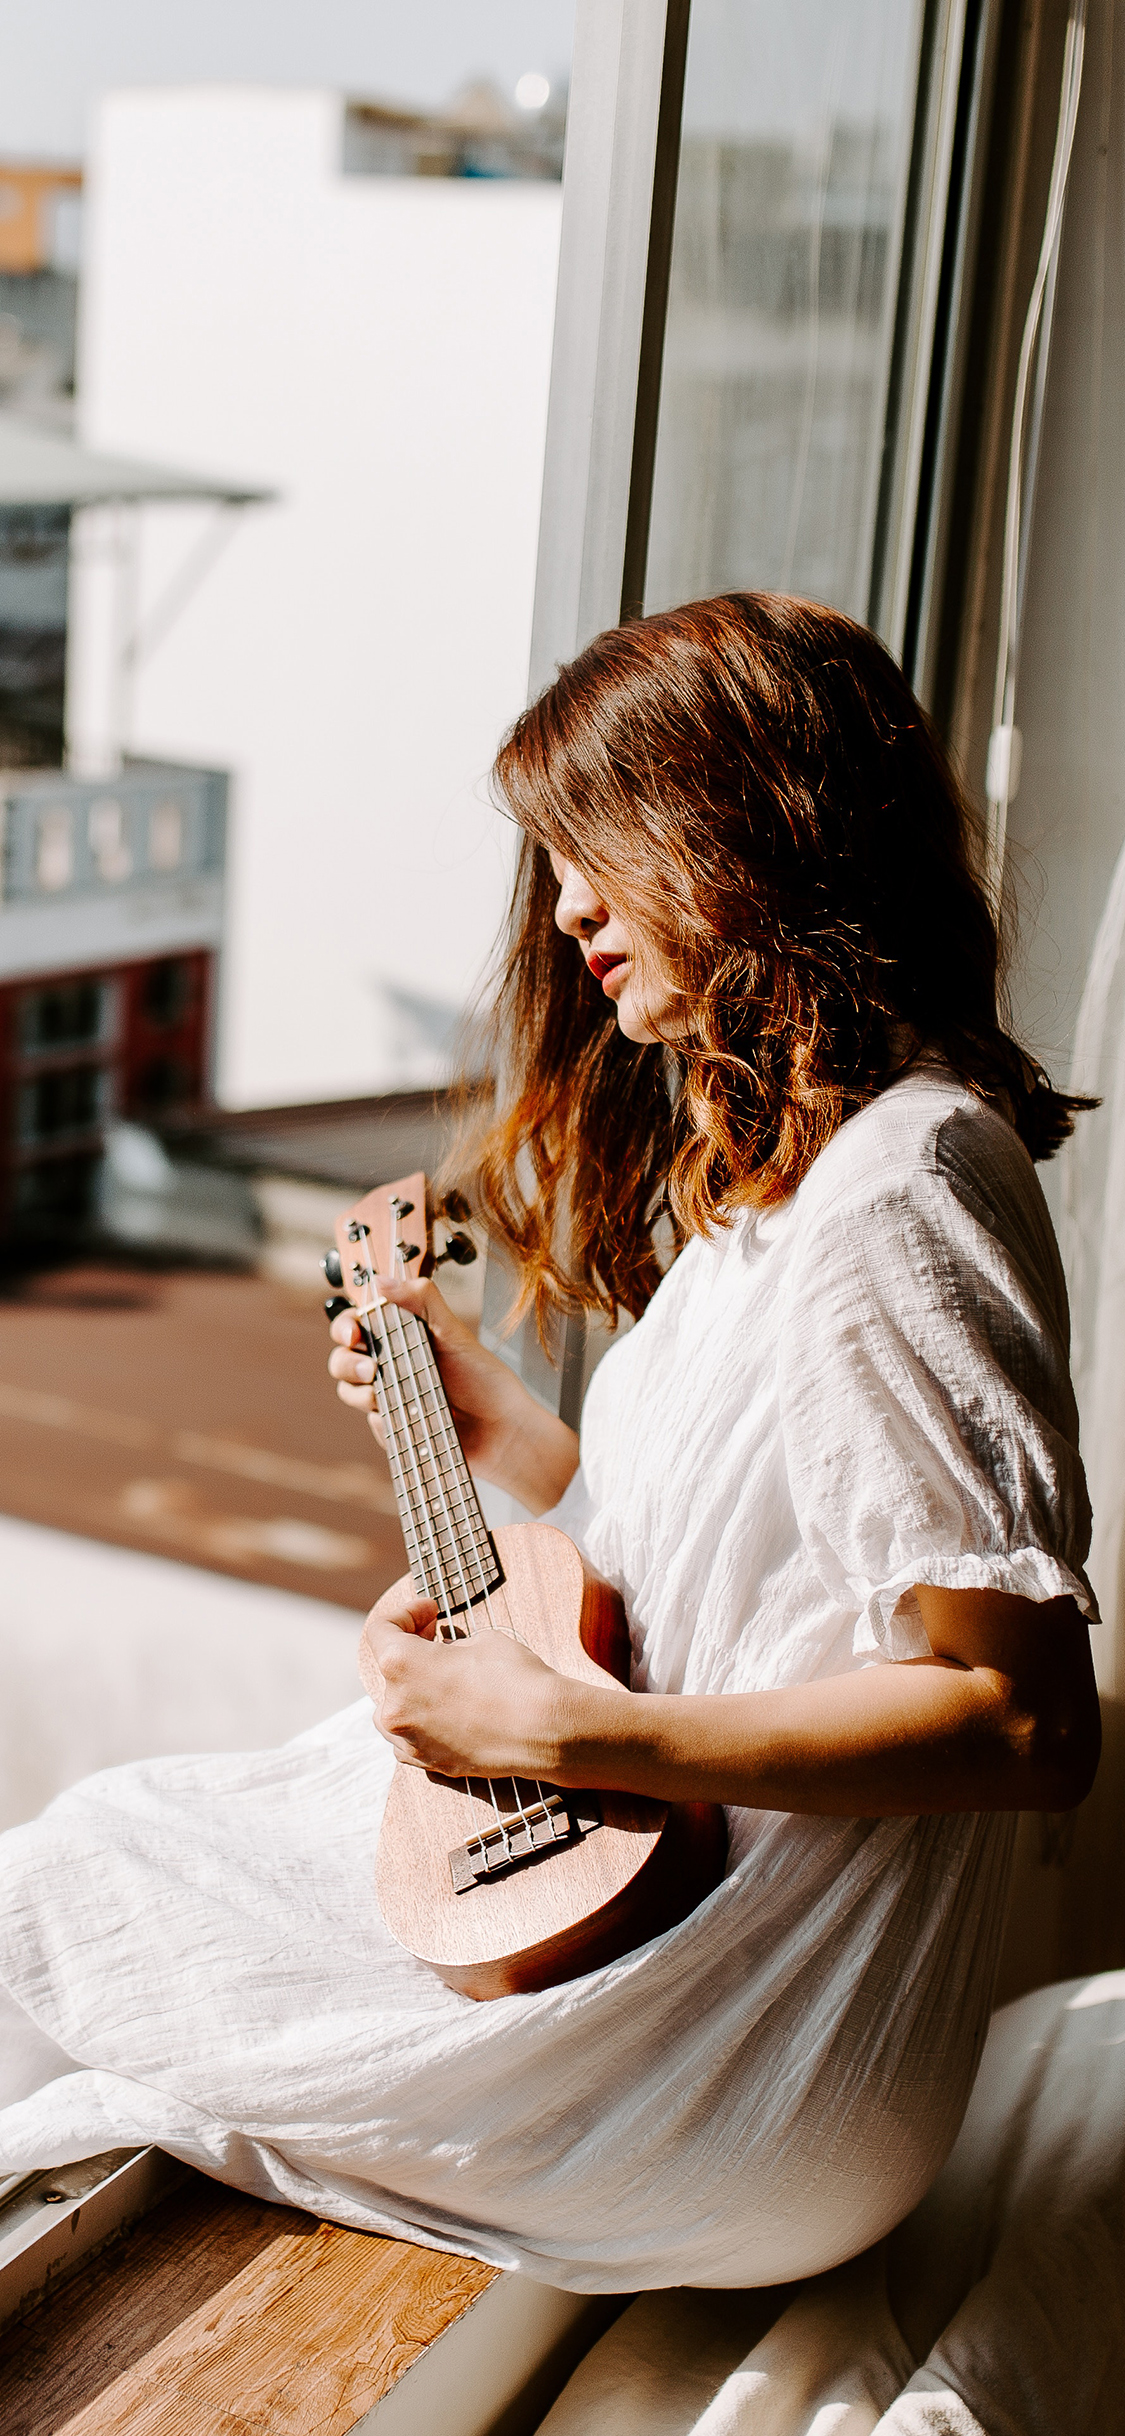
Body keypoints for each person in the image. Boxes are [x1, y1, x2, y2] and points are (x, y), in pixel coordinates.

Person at [0, 595, 1100, 2293]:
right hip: (678, 1952)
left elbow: (1022, 1721)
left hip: (748, 2053)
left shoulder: (905, 1182)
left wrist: (568, 1728)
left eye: (597, 846)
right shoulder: (794, 1188)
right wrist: (487, 1428)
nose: (570, 906)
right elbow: (695, 1560)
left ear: (743, 825)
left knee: (80, 1878)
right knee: (111, 1870)